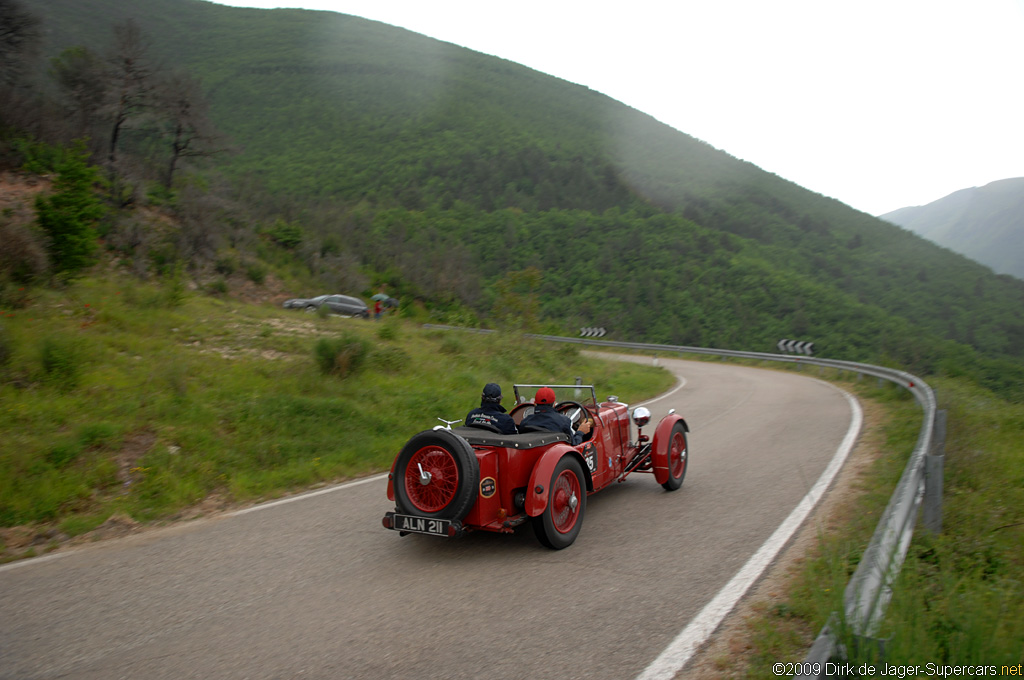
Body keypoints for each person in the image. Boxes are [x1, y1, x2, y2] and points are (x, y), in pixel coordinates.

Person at [518, 386, 591, 445]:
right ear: (554, 404)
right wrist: (580, 432)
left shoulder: (525, 422)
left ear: (534, 403)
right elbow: (574, 444)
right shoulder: (563, 421)